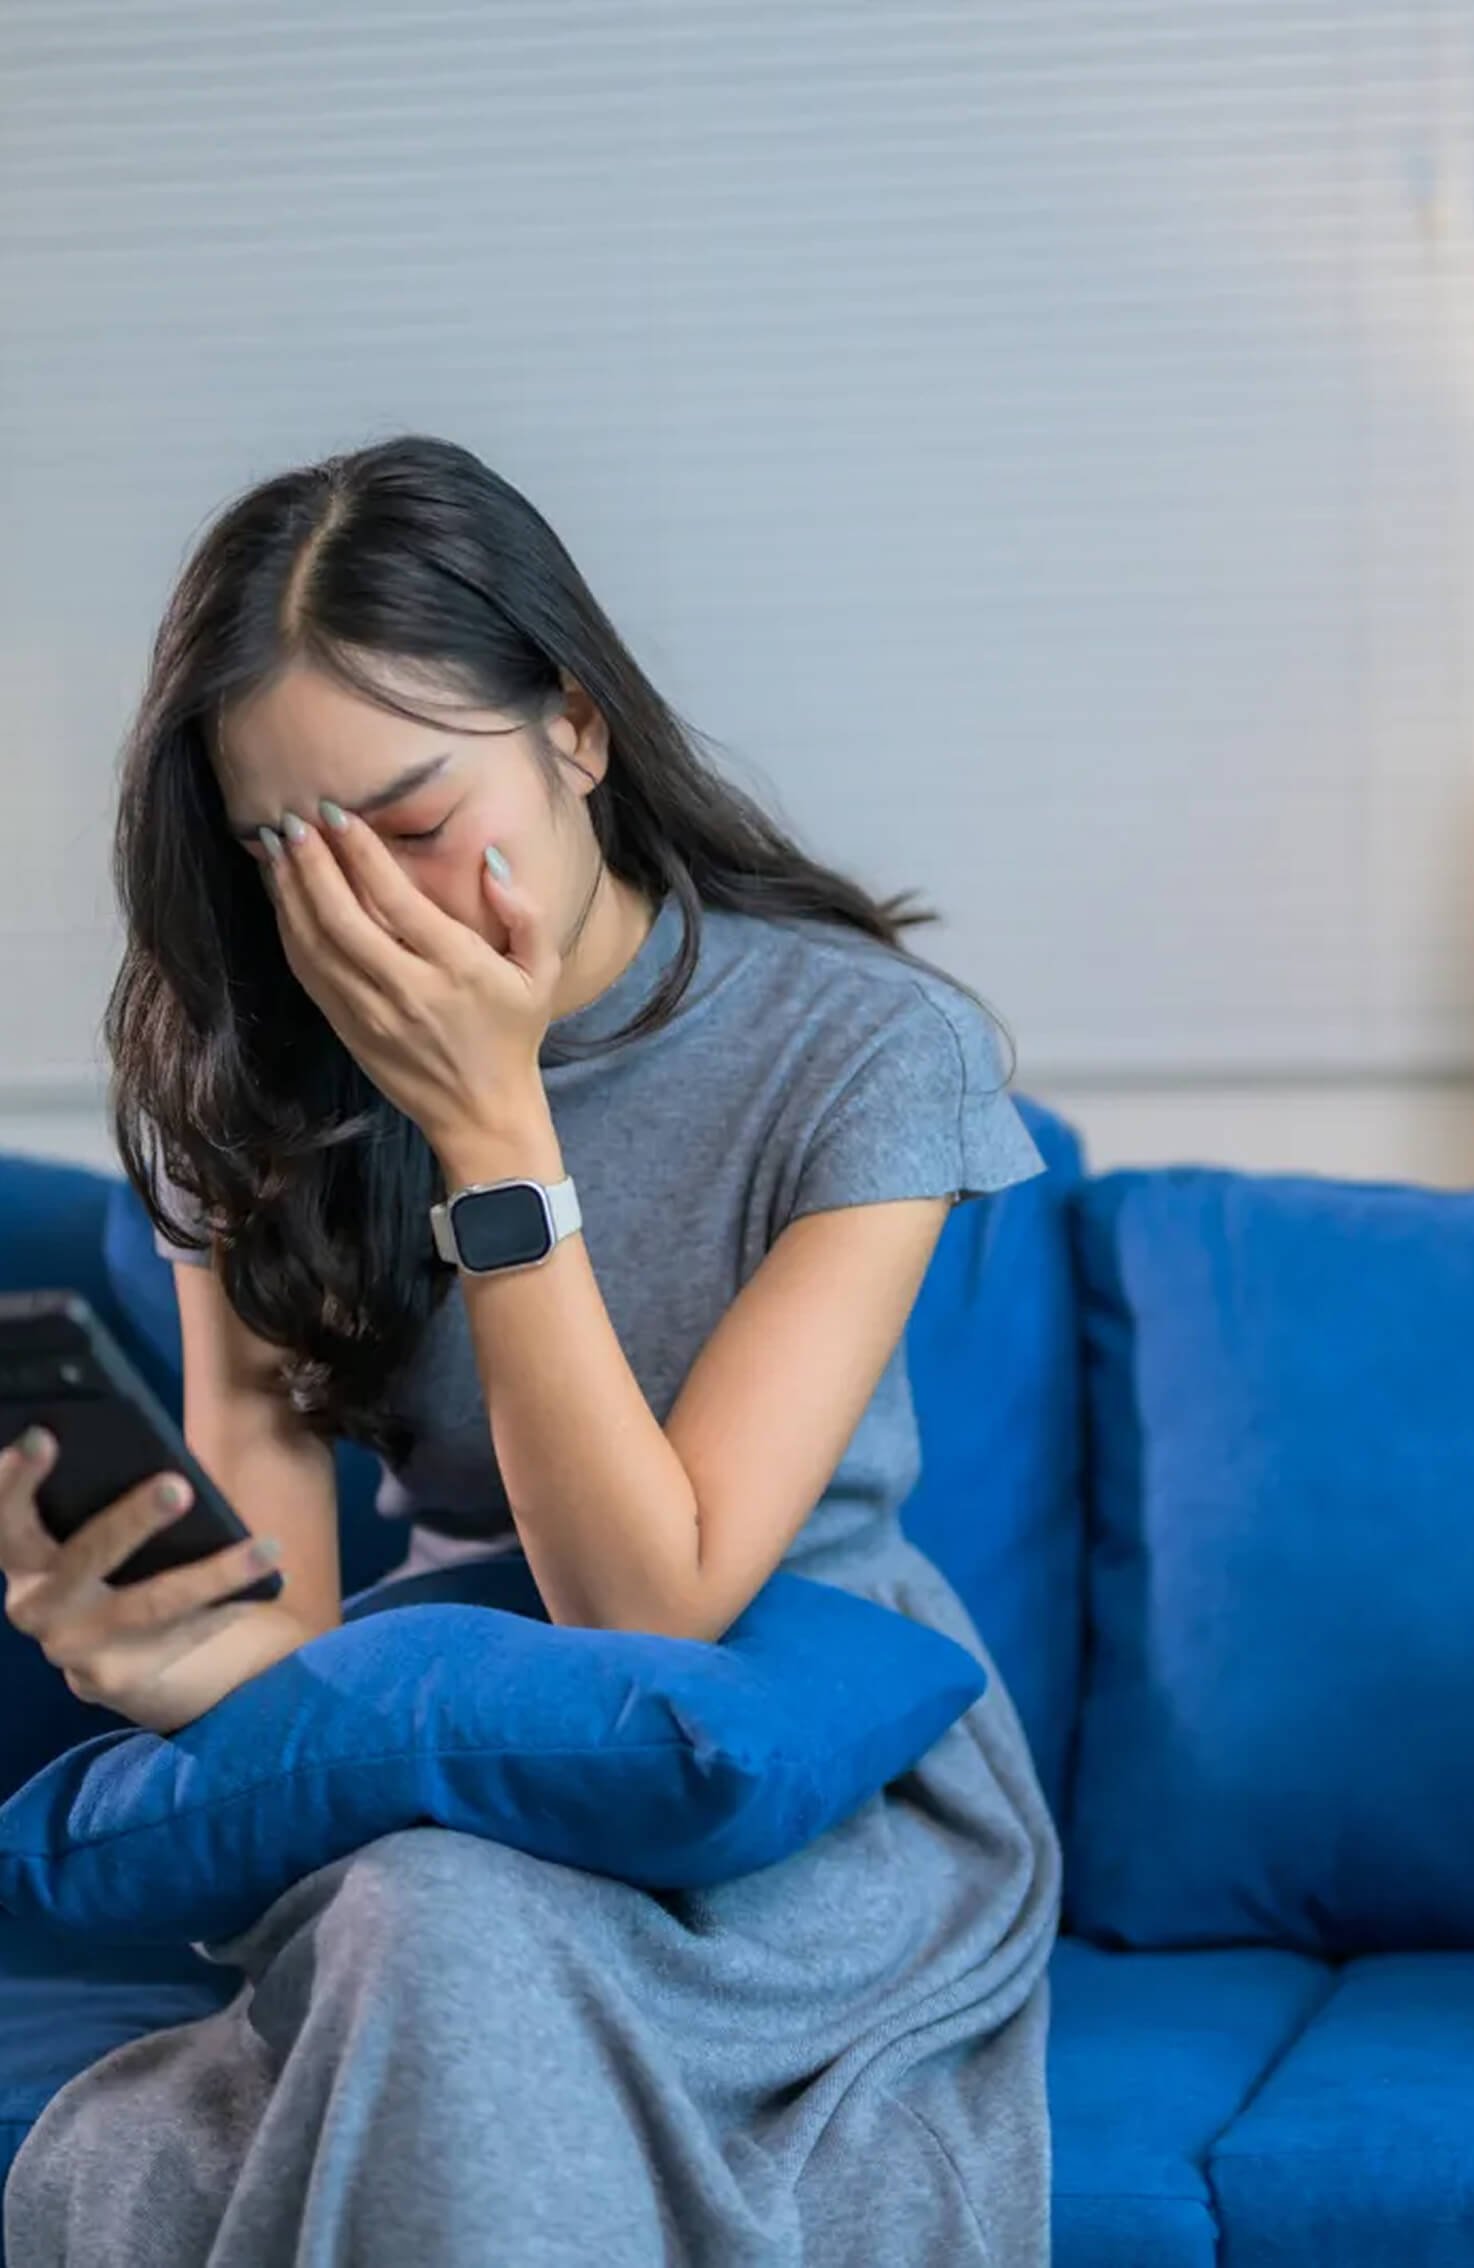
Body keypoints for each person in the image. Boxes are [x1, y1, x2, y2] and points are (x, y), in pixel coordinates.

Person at [1, 432, 1061, 2265]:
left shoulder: (872, 1053)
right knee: (424, 1914)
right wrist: (160, 1656)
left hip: (793, 1779)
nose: (373, 915)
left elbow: (655, 1607)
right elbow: (291, 1639)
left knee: (433, 1937)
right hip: (435, 1758)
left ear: (573, 724)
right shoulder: (246, 1089)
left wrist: (494, 1134)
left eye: (410, 822)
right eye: (290, 858)